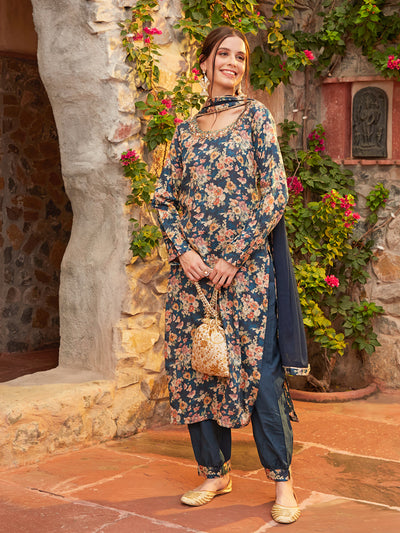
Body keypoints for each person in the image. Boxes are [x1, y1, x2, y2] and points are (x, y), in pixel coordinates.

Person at [152, 26, 309, 525]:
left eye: (240, 57)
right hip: (194, 277)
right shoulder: (186, 131)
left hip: (245, 275)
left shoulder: (256, 117)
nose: (233, 63)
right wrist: (183, 253)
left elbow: (276, 193)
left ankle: (282, 482)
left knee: (260, 374)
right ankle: (215, 472)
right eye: (224, 54)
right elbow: (163, 199)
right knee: (198, 368)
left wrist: (235, 255)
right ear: (205, 62)